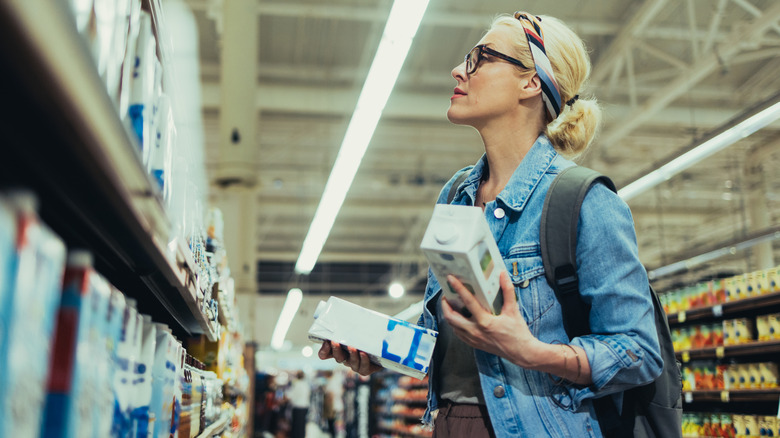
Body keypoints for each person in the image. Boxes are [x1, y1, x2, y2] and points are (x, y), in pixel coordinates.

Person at [319, 11, 663, 437]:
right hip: (450, 424)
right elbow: (451, 337)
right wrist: (381, 349)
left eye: (480, 57)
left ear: (531, 81)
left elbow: (639, 351)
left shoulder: (584, 201)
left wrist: (533, 352)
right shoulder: (457, 193)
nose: (458, 69)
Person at [288, 370, 311, 438]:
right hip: (305, 407)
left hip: (297, 407)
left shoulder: (296, 384)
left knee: (296, 426)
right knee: (302, 425)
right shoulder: (306, 384)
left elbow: (290, 396)